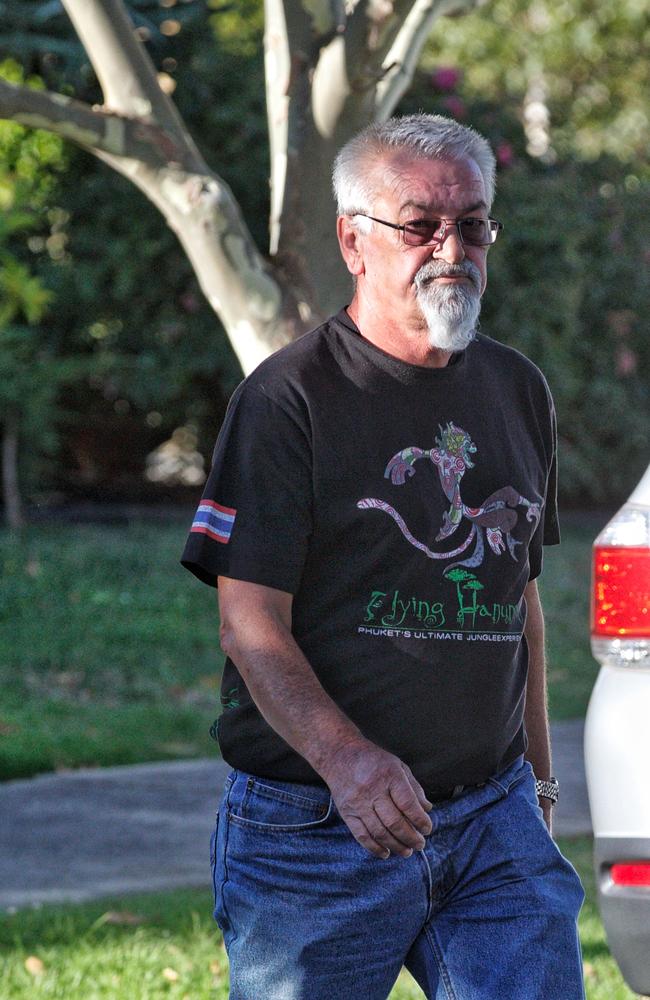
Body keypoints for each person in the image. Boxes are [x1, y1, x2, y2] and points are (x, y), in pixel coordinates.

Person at [182, 114, 585, 1000]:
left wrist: (541, 791)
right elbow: (248, 621)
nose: (452, 247)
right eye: (420, 225)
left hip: (492, 819)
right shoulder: (287, 399)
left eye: (472, 223)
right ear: (353, 241)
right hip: (315, 828)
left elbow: (517, 602)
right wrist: (347, 760)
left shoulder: (519, 389)